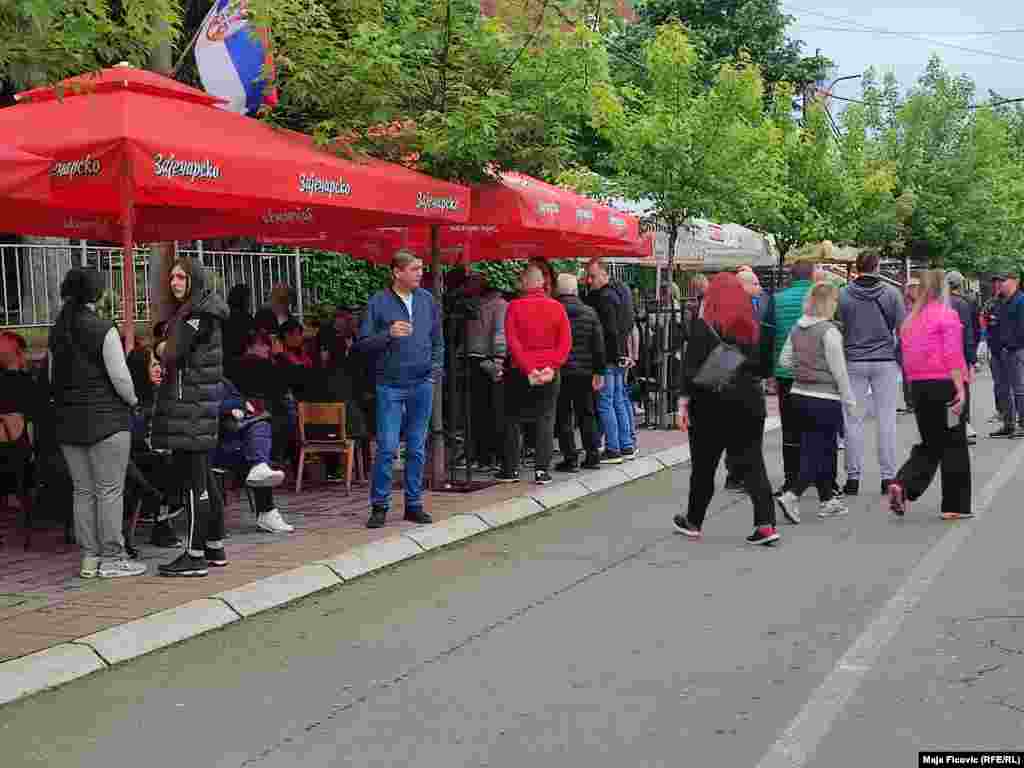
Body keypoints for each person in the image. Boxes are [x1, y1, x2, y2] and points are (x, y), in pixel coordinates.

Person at [48, 268, 145, 578]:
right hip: (107, 422)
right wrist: (133, 401)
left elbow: (52, 378)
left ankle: (89, 558)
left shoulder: (57, 331)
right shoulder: (104, 329)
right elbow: (121, 378)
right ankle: (113, 559)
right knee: (109, 491)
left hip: (67, 421)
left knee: (83, 491)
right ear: (97, 293)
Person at [673, 272, 779, 546]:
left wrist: (683, 403)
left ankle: (694, 521)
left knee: (704, 467)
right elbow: (765, 367)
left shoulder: (703, 326)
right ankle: (765, 523)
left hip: (709, 405)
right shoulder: (755, 327)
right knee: (753, 463)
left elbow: (690, 371)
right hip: (749, 401)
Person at [151, 256, 230, 577]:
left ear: (195, 280)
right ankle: (214, 546)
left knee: (196, 483)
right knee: (205, 479)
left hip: (192, 408)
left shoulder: (198, 314)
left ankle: (195, 555)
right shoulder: (197, 312)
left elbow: (173, 351)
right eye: (172, 278)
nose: (175, 283)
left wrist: (156, 349)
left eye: (182, 277)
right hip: (194, 406)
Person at [356, 250, 443, 529]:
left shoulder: (427, 300)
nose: (420, 273)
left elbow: (438, 340)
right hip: (389, 385)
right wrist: (388, 335)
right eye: (415, 269)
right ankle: (379, 505)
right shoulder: (378, 302)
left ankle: (413, 504)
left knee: (417, 447)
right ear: (397, 272)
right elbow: (362, 344)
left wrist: (434, 372)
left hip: (422, 383)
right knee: (387, 446)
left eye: (420, 268)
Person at [888, 270, 971, 518]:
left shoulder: (910, 321)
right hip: (946, 383)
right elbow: (953, 355)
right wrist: (960, 388)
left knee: (930, 443)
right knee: (955, 445)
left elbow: (905, 358)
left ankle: (903, 483)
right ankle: (955, 506)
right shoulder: (947, 316)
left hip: (919, 386)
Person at [775, 283, 856, 523]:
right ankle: (793, 495)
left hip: (798, 394)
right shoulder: (829, 331)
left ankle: (827, 500)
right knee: (820, 452)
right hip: (825, 398)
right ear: (829, 303)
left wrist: (804, 367)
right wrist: (850, 400)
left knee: (816, 448)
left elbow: (785, 361)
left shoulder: (797, 328)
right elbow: (839, 371)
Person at [837, 248, 906, 496]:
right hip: (885, 361)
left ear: (857, 267)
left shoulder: (843, 294)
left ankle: (853, 478)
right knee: (886, 419)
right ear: (877, 267)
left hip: (853, 360)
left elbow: (838, 326)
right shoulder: (891, 293)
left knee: (852, 420)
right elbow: (902, 329)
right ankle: (887, 477)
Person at [499, 265, 571, 485]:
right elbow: (565, 342)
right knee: (545, 419)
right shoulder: (558, 307)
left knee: (512, 420)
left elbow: (513, 342)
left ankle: (510, 470)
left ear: (525, 283)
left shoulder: (514, 307)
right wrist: (552, 366)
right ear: (541, 283)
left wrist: (528, 368)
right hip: (550, 372)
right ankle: (542, 471)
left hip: (520, 372)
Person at [761, 258, 816, 496]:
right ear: (812, 275)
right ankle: (818, 478)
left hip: (786, 374)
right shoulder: (820, 298)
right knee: (814, 427)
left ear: (791, 276)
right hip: (815, 373)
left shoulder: (777, 299)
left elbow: (767, 337)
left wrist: (767, 372)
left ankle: (791, 480)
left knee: (790, 429)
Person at [584, 258, 635, 463]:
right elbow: (625, 327)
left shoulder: (604, 298)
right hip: (618, 356)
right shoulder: (620, 293)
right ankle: (626, 444)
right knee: (619, 399)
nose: (589, 280)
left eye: (593, 276)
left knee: (606, 402)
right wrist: (623, 354)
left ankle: (613, 448)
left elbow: (610, 331)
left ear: (605, 275)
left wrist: (612, 357)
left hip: (609, 357)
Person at [554, 273, 606, 472]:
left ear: (559, 290)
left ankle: (570, 458)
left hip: (562, 370)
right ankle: (593, 456)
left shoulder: (555, 310)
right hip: (585, 372)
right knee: (587, 414)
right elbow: (598, 345)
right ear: (575, 290)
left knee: (564, 415)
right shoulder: (590, 312)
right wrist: (599, 371)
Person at [464, 278, 508, 471]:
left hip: (475, 358)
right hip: (490, 359)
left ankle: (482, 458)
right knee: (495, 411)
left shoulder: (474, 306)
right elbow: (500, 333)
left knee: (479, 412)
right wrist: (499, 361)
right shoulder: (500, 305)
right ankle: (496, 456)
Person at [945, 270, 979, 444]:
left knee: (950, 394)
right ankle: (964, 428)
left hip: (943, 356)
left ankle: (952, 430)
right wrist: (972, 360)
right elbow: (968, 334)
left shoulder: (939, 303)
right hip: (959, 357)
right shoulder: (963, 303)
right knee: (962, 392)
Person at [995, 272, 1024, 438]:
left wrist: (1011, 345)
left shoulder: (1020, 300)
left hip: (1016, 350)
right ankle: (1009, 424)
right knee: (1004, 389)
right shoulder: (1002, 301)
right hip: (1003, 351)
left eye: (1003, 280)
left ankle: (1022, 424)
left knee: (1019, 389)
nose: (1000, 284)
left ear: (1015, 281)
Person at [983, 275, 1008, 428]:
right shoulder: (990, 303)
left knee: (1013, 384)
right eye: (995, 283)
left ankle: (1013, 415)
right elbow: (984, 321)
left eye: (1000, 282)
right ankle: (1001, 412)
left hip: (1009, 348)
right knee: (998, 383)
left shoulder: (1011, 301)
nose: (997, 285)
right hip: (994, 348)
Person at [897, 278, 921, 415]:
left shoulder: (923, 304)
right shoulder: (903, 304)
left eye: (916, 287)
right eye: (911, 287)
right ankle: (910, 402)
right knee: (907, 375)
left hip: (919, 344)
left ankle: (917, 401)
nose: (913, 290)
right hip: (906, 344)